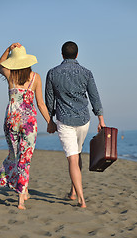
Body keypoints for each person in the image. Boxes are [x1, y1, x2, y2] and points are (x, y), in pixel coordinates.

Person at [45, 41, 106, 208]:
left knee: (72, 157)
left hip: (64, 120)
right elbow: (94, 96)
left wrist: (50, 120)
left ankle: (81, 199)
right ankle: (73, 192)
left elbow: (49, 100)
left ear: (62, 55)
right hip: (83, 120)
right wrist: (100, 119)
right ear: (77, 55)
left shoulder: (52, 73)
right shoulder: (86, 73)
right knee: (76, 154)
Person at [0, 42, 56, 210]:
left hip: (11, 120)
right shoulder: (36, 77)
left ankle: (22, 189)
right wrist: (50, 121)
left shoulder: (10, 75)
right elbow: (41, 104)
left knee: (14, 155)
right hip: (29, 123)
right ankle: (21, 197)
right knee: (25, 158)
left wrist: (8, 49)